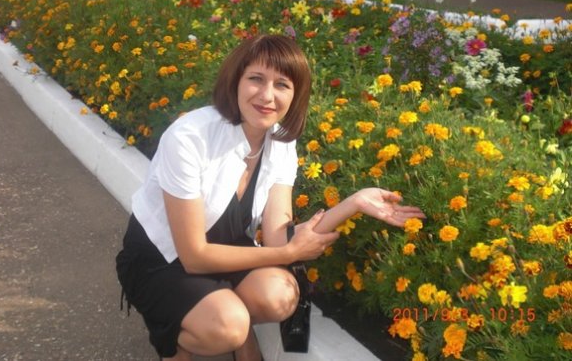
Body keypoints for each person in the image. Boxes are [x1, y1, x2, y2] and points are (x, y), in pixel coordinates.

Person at [115, 34, 425, 361]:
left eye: (282, 85)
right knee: (226, 327)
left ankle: (224, 313)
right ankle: (181, 341)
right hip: (163, 258)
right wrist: (289, 252)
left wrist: (353, 204)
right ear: (235, 81)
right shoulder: (190, 138)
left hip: (228, 249)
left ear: (295, 95)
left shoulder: (280, 142)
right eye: (256, 79)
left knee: (281, 295)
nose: (267, 96)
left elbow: (280, 238)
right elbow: (194, 256)